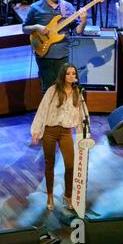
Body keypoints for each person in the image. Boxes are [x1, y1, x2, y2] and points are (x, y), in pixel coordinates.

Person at [30, 63, 89, 211]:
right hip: (50, 130)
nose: (71, 76)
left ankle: (67, 195)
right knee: (49, 163)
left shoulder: (77, 93)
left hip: (65, 132)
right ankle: (50, 195)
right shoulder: (53, 90)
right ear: (63, 75)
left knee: (70, 165)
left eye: (73, 74)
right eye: (68, 73)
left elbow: (82, 114)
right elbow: (42, 110)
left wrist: (84, 134)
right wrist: (36, 130)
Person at [23, 0, 87, 93]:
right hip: (44, 55)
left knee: (64, 90)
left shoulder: (67, 7)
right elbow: (24, 28)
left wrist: (83, 21)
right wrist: (37, 27)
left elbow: (78, 31)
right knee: (48, 91)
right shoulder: (35, 8)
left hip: (62, 55)